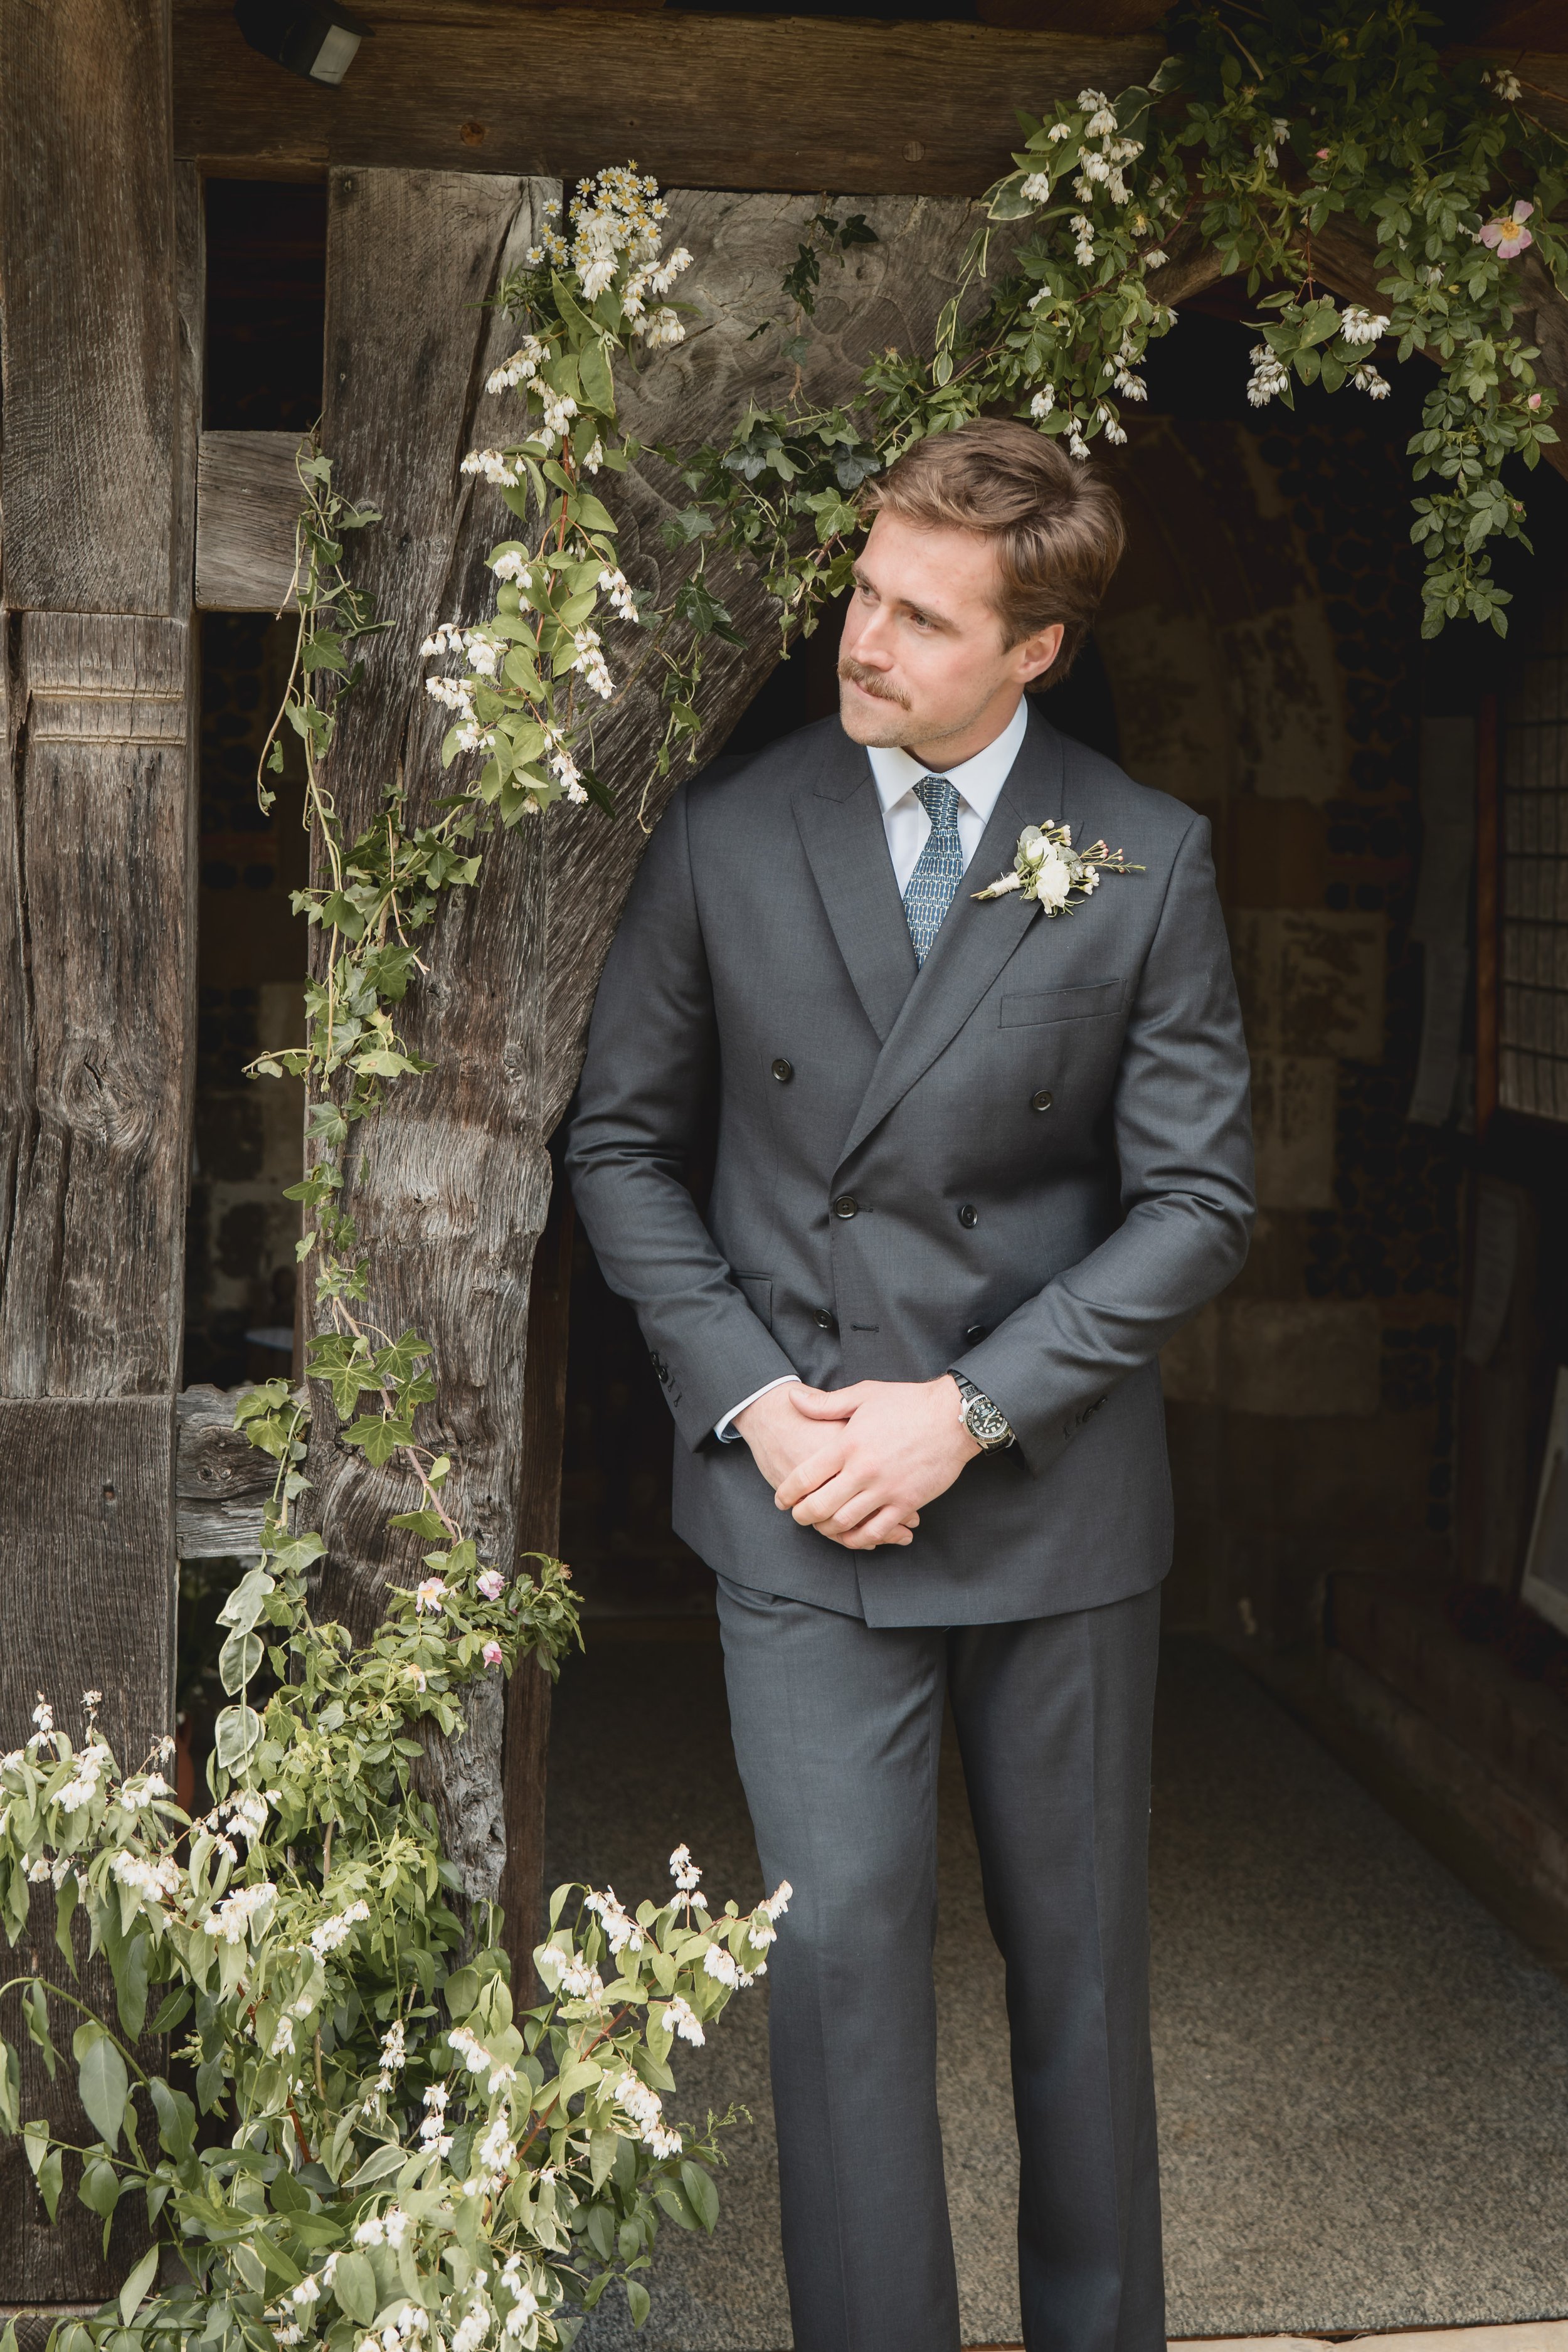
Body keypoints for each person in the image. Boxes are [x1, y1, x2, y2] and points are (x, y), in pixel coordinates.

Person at [566, 416, 1255, 2352]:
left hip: (1045, 1500)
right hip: (798, 1499)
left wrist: (962, 1409)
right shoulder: (727, 830)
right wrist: (762, 1405)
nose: (862, 641)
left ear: (1033, 650)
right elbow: (619, 1147)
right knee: (842, 1966)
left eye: (921, 619)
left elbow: (1199, 1200)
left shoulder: (1144, 853)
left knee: (1075, 1976)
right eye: (865, 591)